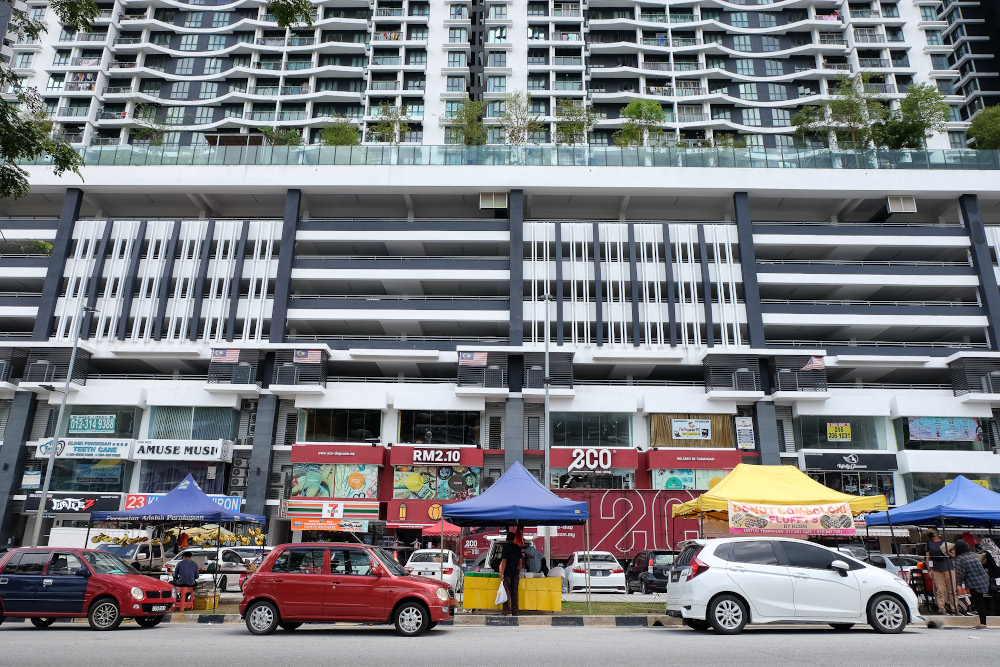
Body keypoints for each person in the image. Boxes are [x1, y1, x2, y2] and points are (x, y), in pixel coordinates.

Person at [953, 539, 991, 629]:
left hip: (974, 582)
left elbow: (960, 573)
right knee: (980, 602)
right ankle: (982, 623)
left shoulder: (960, 559)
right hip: (983, 580)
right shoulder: (973, 555)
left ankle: (983, 624)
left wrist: (958, 584)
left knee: (979, 603)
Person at [925, 529, 955, 614]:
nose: (930, 533)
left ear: (937, 533)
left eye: (932, 531)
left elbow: (954, 555)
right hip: (936, 568)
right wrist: (929, 569)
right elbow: (928, 557)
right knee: (940, 590)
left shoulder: (945, 542)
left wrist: (947, 552)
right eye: (928, 532)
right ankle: (941, 608)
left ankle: (954, 608)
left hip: (948, 567)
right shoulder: (929, 544)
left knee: (951, 589)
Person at [498, 530, 523, 616]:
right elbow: (520, 561)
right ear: (514, 539)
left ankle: (507, 611)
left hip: (507, 573)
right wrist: (519, 572)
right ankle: (515, 612)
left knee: (506, 592)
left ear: (507, 539)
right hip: (515, 573)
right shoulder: (518, 548)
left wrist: (502, 573)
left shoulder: (505, 548)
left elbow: (504, 561)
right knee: (515, 592)